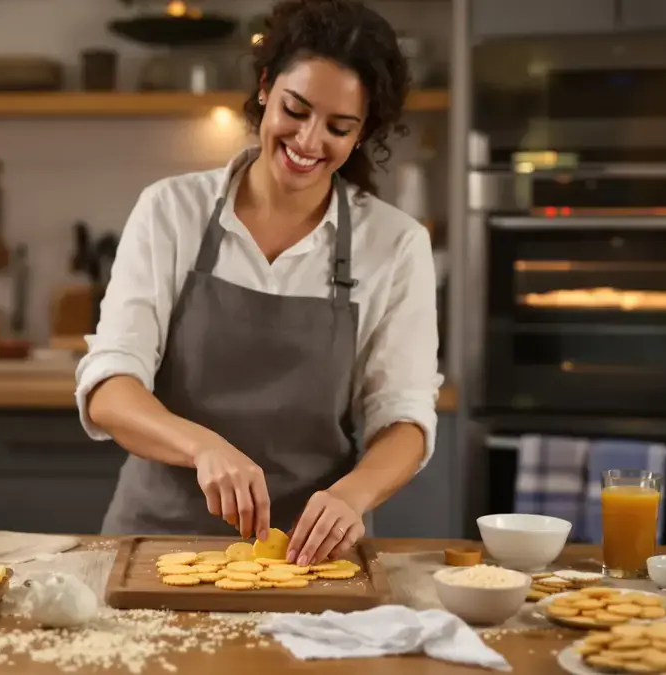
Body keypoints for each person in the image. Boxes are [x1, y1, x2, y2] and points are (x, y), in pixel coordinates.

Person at [76, 0, 443, 566]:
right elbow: (109, 387)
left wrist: (353, 495)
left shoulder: (395, 244)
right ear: (266, 87)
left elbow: (405, 416)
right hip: (156, 542)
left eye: (339, 127)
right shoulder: (171, 211)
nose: (309, 141)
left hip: (308, 556)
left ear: (362, 132)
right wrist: (202, 447)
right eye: (296, 109)